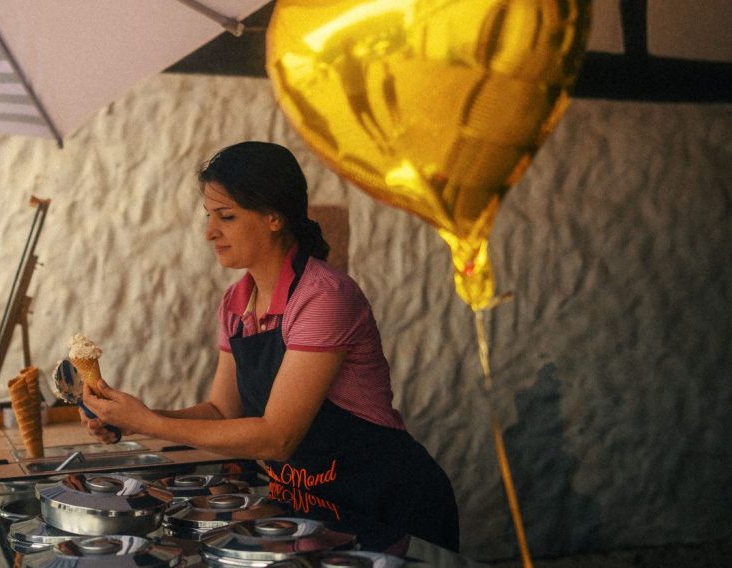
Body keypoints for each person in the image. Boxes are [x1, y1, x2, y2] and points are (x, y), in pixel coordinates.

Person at [82, 141, 460, 550]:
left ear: (274, 217)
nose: (210, 232)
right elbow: (223, 412)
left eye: (226, 216)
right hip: (309, 506)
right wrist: (134, 417)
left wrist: (149, 424)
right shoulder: (235, 303)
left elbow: (277, 437)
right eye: (209, 216)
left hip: (387, 505)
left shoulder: (324, 297)